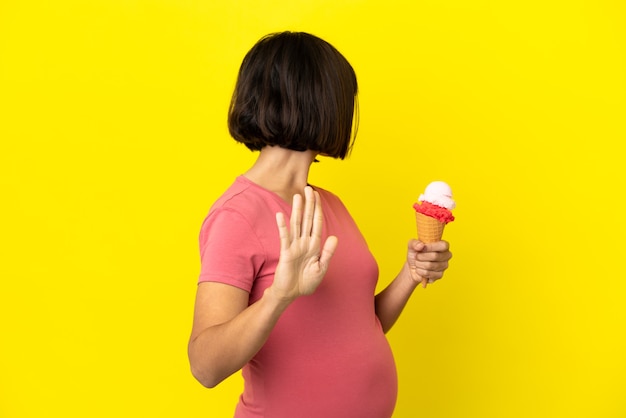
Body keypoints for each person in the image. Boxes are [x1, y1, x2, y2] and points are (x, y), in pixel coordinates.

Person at [188, 31, 452, 418]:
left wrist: (410, 275)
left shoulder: (330, 204)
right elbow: (205, 366)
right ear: (315, 100)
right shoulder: (237, 215)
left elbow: (363, 326)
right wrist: (279, 296)